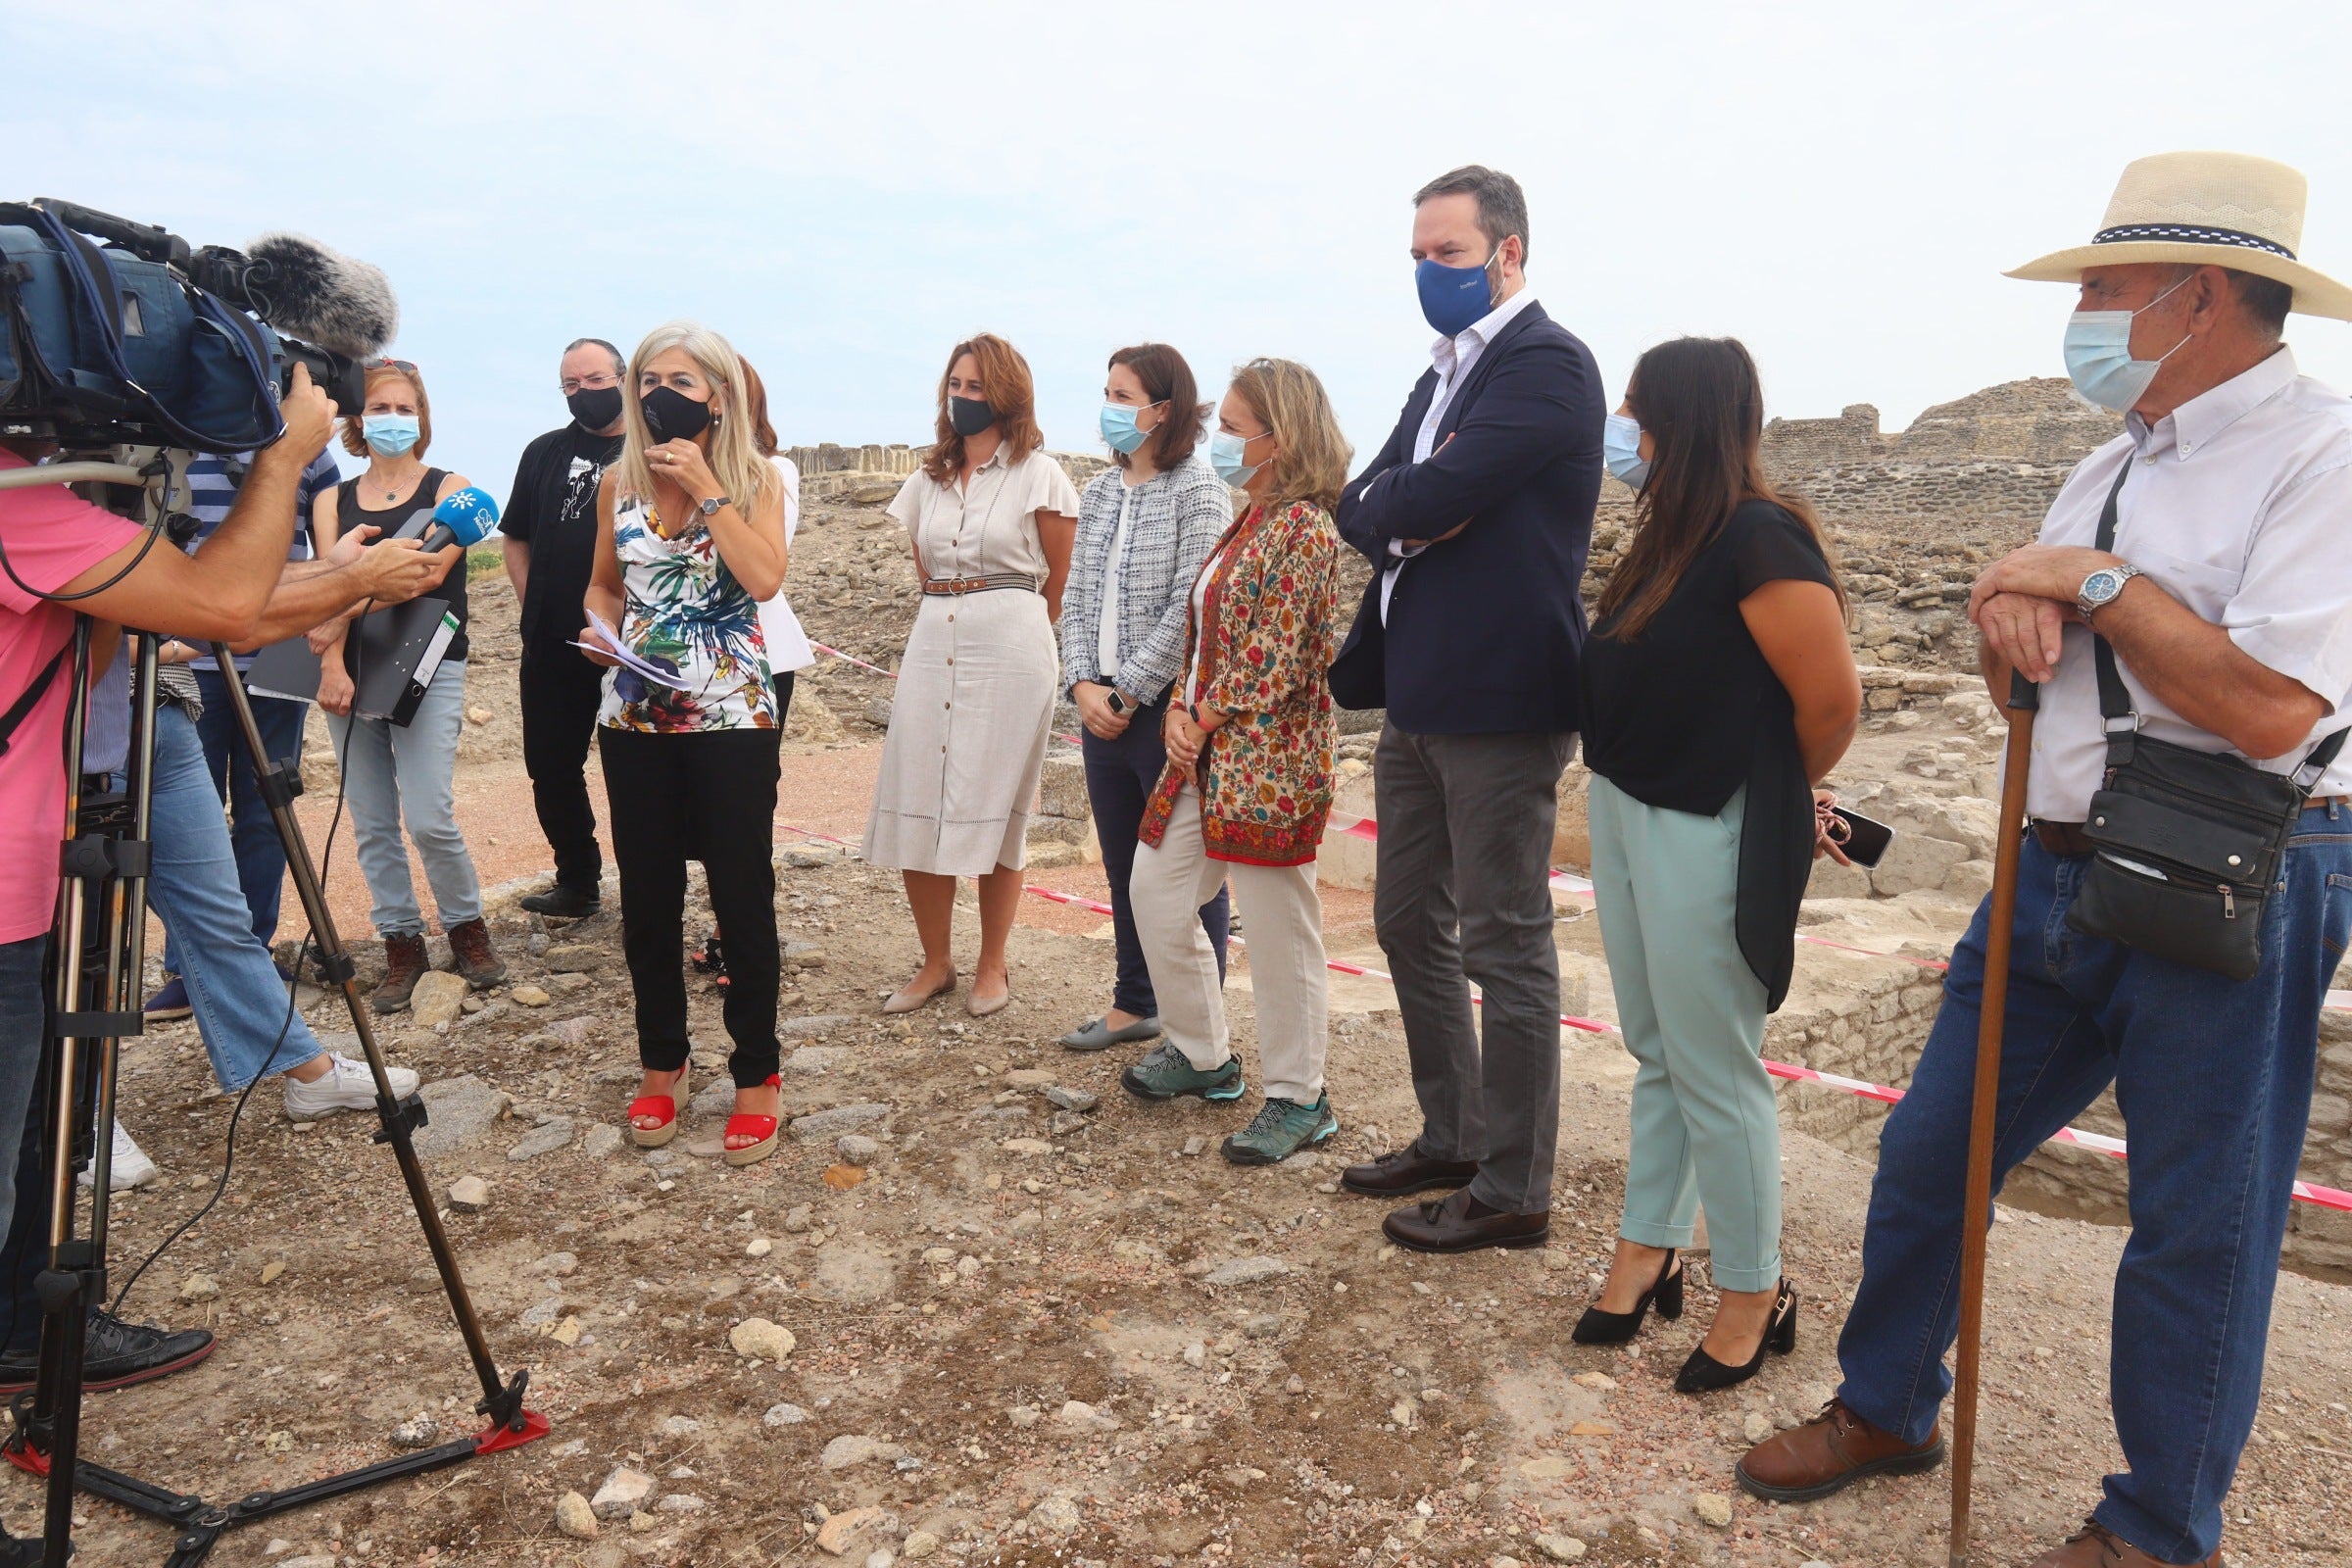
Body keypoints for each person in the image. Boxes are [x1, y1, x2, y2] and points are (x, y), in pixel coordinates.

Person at [1736, 152, 2352, 1568]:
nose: (2082, 317)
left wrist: (2090, 583)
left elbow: (2271, 708)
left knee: (2197, 1218)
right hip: (2056, 865)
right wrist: (2007, 619)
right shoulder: (2106, 463)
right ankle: (1888, 1404)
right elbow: (2036, 658)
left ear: (2202, 298)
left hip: (2227, 869)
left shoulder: (2324, 456)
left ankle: (2156, 1528)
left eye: (2105, 288)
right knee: (1931, 1150)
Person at [0, 502, 453, 1396]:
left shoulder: (76, 488)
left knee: (210, 919)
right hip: (59, 762)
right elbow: (222, 607)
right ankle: (71, 1141)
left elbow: (191, 600)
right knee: (62, 980)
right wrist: (344, 567)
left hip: (156, 713)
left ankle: (31, 1296)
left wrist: (335, 575)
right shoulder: (34, 494)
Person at [0, 369, 333, 1542]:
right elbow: (224, 608)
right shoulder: (20, 500)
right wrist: (283, 456)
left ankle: (23, 1322)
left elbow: (92, 652)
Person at [1570, 337, 1860, 1394]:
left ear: (1679, 420)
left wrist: (1768, 794)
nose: (1622, 430)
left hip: (1707, 822)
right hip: (1626, 806)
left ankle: (1752, 1287)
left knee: (1718, 1067)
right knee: (1658, 1046)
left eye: (1634, 410)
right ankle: (1648, 1246)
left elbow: (1830, 705)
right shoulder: (1669, 538)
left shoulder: (1759, 536)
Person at [1329, 165, 1605, 1253]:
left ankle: (1514, 1187)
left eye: (1447, 254)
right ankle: (1455, 1132)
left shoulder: (1546, 364)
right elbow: (1362, 500)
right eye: (1418, 256)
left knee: (1504, 939)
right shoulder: (1443, 372)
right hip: (1420, 689)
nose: (1428, 273)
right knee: (1408, 917)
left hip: (1499, 693)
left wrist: (1415, 502)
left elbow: (1434, 491)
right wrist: (1412, 509)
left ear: (1508, 252)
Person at [1119, 359, 1347, 1164]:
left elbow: (1274, 651)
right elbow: (1206, 634)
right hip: (1206, 753)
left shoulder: (1306, 529)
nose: (1219, 441)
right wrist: (1181, 709)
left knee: (1281, 930)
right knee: (1156, 891)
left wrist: (1202, 714)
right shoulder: (1249, 520)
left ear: (1278, 440)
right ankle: (1203, 1053)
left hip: (1269, 763)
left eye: (1233, 429)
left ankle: (1299, 1096)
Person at [580, 321, 790, 1165]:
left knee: (742, 895)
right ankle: (663, 1060)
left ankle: (758, 1073)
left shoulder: (756, 478)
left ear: (718, 397)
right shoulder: (618, 482)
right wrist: (598, 629)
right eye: (648, 379)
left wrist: (707, 488)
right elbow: (604, 584)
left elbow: (765, 578)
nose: (660, 394)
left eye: (680, 381)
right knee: (648, 897)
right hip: (635, 717)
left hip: (732, 715)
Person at [865, 335, 1079, 1017]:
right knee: (918, 793)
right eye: (956, 385)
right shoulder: (925, 480)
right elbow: (925, 569)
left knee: (998, 804)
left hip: (1011, 647)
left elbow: (1059, 578)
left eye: (978, 386)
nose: (963, 397)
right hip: (934, 639)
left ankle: (993, 963)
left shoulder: (1041, 474)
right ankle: (936, 963)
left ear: (1007, 395)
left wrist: (1009, 623)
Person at [1054, 343, 1233, 1054]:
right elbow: (1074, 596)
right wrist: (1082, 684)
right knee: (1124, 868)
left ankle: (1197, 1027)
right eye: (1107, 393)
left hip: (1163, 713)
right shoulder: (1099, 491)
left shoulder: (1199, 490)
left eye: (1122, 396)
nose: (1109, 408)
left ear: (1164, 408)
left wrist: (1127, 694)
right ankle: (1135, 1002)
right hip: (1098, 710)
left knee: (1184, 876)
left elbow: (1191, 605)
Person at [313, 358, 506, 1008]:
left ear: (422, 417)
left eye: (404, 408)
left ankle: (466, 927)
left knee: (428, 815)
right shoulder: (330, 500)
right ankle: (401, 943)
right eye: (379, 408)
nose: (392, 419)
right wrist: (330, 664)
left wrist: (337, 613)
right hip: (349, 669)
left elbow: (424, 575)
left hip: (428, 665)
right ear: (357, 419)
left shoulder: (452, 489)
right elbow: (324, 581)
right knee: (371, 820)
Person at [139, 444, 344, 1022]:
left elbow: (330, 556)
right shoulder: (166, 444)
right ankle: (190, 968)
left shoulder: (309, 450)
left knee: (266, 814)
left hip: (279, 658)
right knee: (188, 823)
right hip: (185, 660)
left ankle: (253, 953)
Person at [504, 337, 631, 921]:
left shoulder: (650, 453)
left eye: (595, 381)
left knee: (634, 770)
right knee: (551, 766)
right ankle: (577, 881)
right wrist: (533, 604)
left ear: (623, 379)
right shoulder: (544, 452)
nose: (584, 393)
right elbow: (516, 536)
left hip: (631, 649)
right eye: (571, 385)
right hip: (553, 642)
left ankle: (649, 885)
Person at [690, 356, 808, 991]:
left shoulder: (772, 472)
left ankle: (741, 936)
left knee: (744, 805)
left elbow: (757, 568)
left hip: (757, 655)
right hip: (682, 660)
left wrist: (703, 489)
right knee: (693, 805)